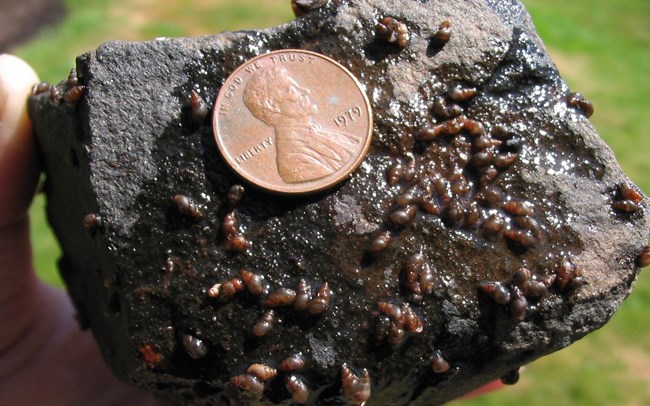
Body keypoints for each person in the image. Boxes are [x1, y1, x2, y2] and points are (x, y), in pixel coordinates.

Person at [0, 53, 500, 404]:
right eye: (289, 88)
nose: (303, 90)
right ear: (275, 107)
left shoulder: (322, 142)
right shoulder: (298, 159)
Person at [242, 66, 360, 184]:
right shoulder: (295, 162)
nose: (305, 91)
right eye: (291, 89)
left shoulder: (321, 133)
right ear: (272, 105)